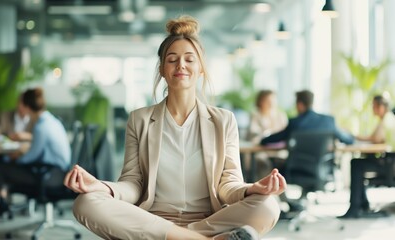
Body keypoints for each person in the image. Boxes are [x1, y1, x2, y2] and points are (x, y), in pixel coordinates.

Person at [64, 15, 286, 240]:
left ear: (200, 68)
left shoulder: (223, 120)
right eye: (172, 59)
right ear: (162, 69)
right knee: (86, 202)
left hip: (208, 220)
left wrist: (252, 189)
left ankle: (177, 237)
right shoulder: (139, 119)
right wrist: (103, 187)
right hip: (154, 219)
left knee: (268, 206)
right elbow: (133, 184)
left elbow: (228, 185)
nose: (181, 65)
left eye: (190, 59)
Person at [0, 87, 71, 222]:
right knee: (5, 166)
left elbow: (31, 156)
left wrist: (15, 158)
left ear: (27, 106)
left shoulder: (41, 126)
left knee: (2, 169)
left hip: (50, 176)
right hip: (57, 173)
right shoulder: (51, 121)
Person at [260, 90, 354, 214]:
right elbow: (348, 140)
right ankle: (295, 204)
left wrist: (263, 139)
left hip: (296, 171)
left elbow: (269, 140)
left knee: (273, 167)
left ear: (299, 104)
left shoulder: (295, 123)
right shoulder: (328, 121)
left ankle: (288, 204)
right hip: (322, 171)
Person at [340, 95, 395, 219]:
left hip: (390, 164)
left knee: (356, 164)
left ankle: (355, 208)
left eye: (374, 106)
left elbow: (375, 139)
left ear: (381, 107)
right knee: (358, 163)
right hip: (389, 161)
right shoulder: (388, 118)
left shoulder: (387, 120)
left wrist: (353, 135)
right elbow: (374, 139)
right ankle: (362, 204)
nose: (372, 109)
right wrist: (355, 136)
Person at [248, 90, 288, 179]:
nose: (271, 104)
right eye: (268, 101)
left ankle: (280, 188)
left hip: (278, 151)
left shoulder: (281, 115)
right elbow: (254, 135)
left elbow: (285, 134)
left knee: (285, 161)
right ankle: (265, 188)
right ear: (260, 102)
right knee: (262, 161)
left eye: (273, 101)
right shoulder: (256, 115)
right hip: (261, 151)